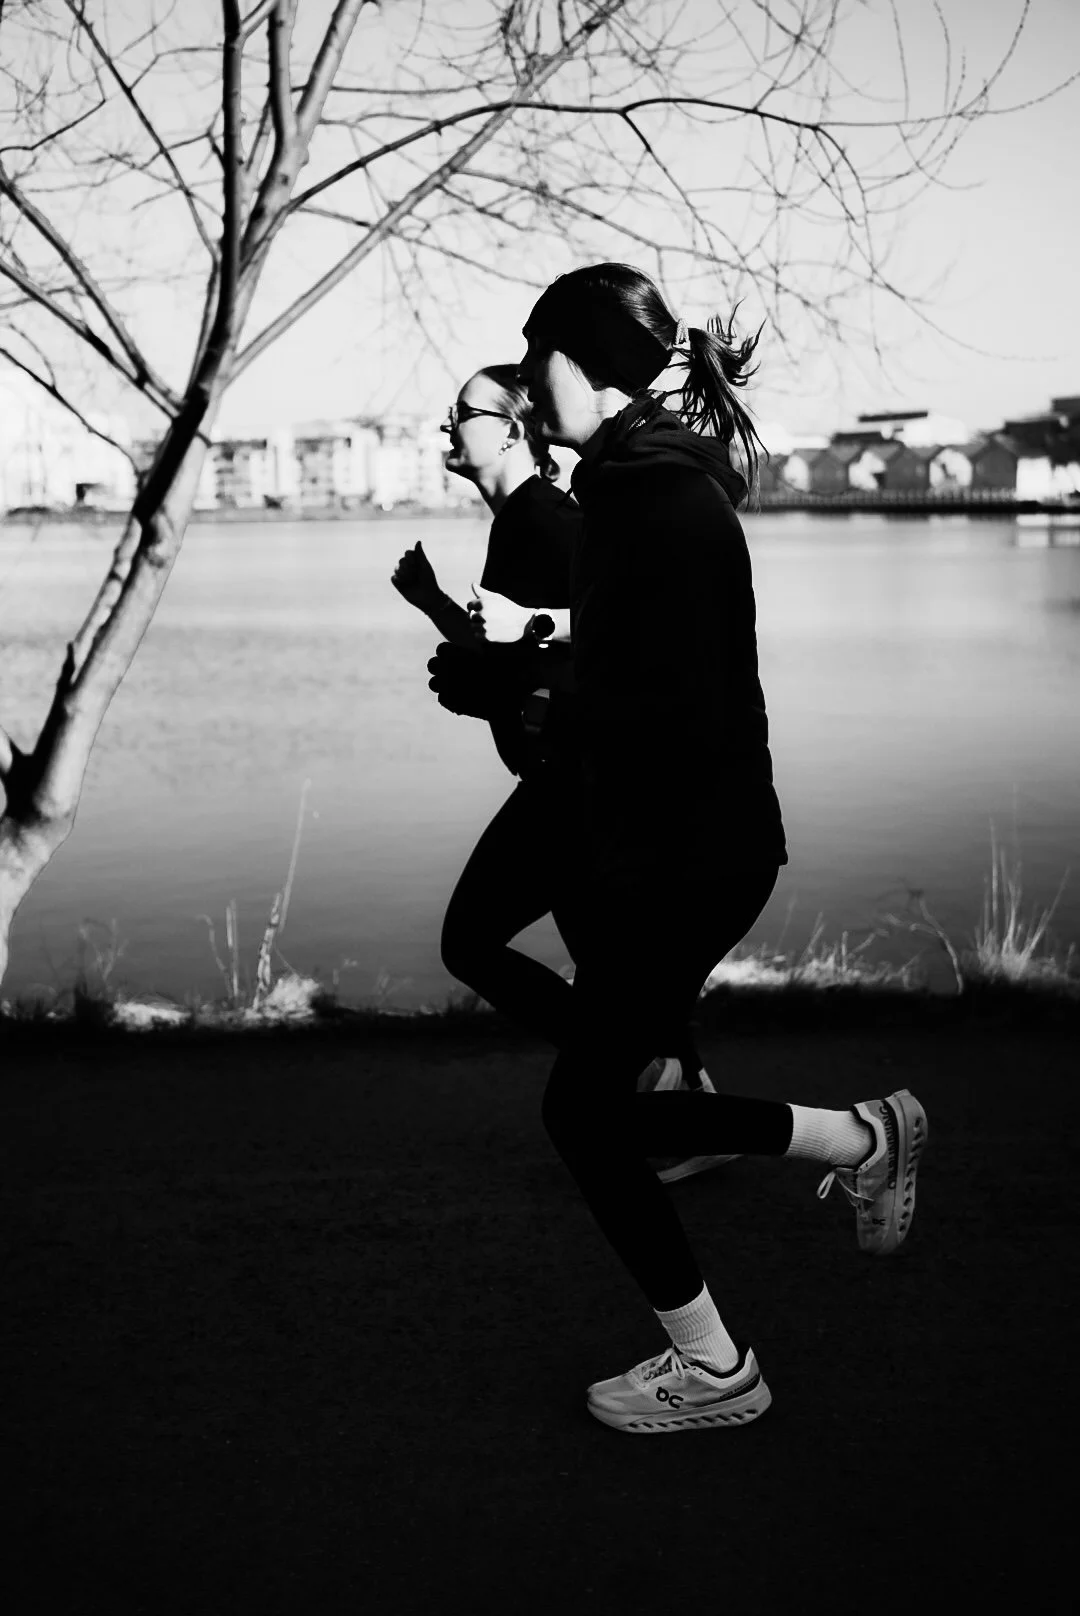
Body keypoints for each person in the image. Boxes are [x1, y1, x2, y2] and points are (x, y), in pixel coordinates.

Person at [511, 263, 928, 1434]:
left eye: (539, 355)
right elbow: (638, 678)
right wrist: (527, 683)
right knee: (594, 1110)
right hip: (691, 840)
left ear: (589, 362)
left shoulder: (646, 497)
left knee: (586, 1113)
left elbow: (666, 702)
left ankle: (718, 1369)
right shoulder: (641, 483)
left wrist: (543, 702)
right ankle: (855, 1135)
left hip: (687, 847)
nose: (530, 383)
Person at [393, 365, 733, 1184]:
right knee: (611, 967)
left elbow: (617, 639)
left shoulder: (543, 520)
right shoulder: (523, 522)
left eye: (462, 412)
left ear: (511, 430)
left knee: (469, 941)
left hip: (580, 782)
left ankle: (649, 1083)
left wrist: (494, 674)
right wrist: (441, 610)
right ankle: (686, 1102)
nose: (447, 422)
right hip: (574, 778)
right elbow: (523, 656)